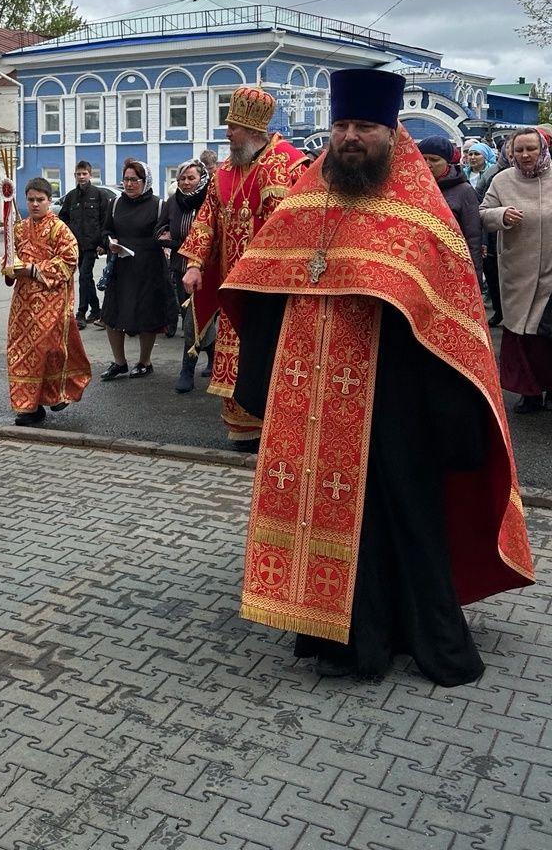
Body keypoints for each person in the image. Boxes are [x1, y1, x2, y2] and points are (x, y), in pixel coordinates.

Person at [220, 68, 533, 686]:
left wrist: (450, 409)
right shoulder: (306, 201)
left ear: (391, 132)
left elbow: (453, 314)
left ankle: (414, 632)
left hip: (395, 396)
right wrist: (256, 376)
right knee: (322, 512)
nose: (350, 138)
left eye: (364, 126)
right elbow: (265, 282)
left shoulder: (423, 216)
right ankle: (335, 637)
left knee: (403, 514)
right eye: (341, 126)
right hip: (309, 395)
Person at [180, 86, 306, 447]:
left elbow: (291, 230)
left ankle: (273, 427)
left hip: (273, 288)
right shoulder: (225, 170)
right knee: (234, 351)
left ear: (252, 129)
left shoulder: (287, 165)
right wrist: (195, 263)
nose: (226, 133)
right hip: (233, 283)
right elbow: (206, 220)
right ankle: (242, 428)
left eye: (232, 127)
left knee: (269, 352)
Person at [4, 177, 92, 425]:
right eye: (30, 199)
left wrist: (32, 269)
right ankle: (29, 408)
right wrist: (10, 268)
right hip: (22, 303)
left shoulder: (59, 229)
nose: (34, 204)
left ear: (49, 201)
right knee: (20, 351)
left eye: (40, 200)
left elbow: (69, 260)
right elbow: (8, 260)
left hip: (51, 300)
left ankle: (59, 392)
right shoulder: (19, 229)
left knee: (48, 349)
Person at [480, 127, 552, 413]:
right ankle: (529, 392)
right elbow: (482, 213)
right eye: (518, 150)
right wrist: (501, 215)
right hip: (517, 270)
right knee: (522, 335)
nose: (524, 155)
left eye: (530, 149)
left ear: (543, 150)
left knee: (547, 334)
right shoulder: (501, 180)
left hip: (550, 271)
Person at [99, 157, 176, 380]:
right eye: (126, 179)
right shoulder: (115, 204)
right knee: (112, 315)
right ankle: (119, 362)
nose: (129, 184)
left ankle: (145, 361)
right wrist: (109, 242)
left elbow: (167, 232)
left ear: (145, 181)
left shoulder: (158, 205)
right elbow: (105, 231)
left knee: (146, 316)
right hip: (120, 268)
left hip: (148, 268)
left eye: (134, 179)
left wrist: (165, 237)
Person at [155, 158, 215, 392]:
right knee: (191, 316)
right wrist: (179, 243)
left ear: (202, 179)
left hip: (207, 270)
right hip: (181, 269)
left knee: (195, 319)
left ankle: (186, 370)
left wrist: (190, 245)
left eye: (191, 178)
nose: (187, 182)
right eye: (182, 178)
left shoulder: (211, 201)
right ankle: (213, 356)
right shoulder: (173, 202)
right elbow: (159, 230)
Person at [416, 137, 482, 282]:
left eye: (434, 159)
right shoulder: (412, 188)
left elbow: (473, 238)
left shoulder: (463, 191)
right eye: (423, 158)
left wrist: (474, 279)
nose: (427, 164)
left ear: (447, 162)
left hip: (450, 269)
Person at [58, 160, 112, 330]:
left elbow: (105, 220)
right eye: (78, 174)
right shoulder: (71, 196)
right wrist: (66, 239)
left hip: (92, 244)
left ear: (90, 175)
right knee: (86, 277)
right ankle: (96, 309)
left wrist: (103, 243)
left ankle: (81, 313)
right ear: (75, 175)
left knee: (83, 277)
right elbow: (63, 218)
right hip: (76, 245)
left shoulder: (98, 194)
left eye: (84, 174)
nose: (81, 177)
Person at [466, 141, 505, 325]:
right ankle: (499, 310)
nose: (472, 157)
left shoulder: (492, 174)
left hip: (501, 230)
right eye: (469, 154)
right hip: (484, 230)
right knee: (491, 273)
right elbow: (481, 207)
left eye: (476, 154)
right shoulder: (464, 176)